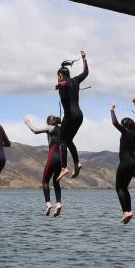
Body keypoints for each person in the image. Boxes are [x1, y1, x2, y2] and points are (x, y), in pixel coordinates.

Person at [55, 50, 88, 179]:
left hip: (69, 116)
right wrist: (84, 59)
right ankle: (77, 162)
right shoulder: (76, 80)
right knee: (69, 140)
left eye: (58, 76)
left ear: (60, 74)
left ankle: (63, 167)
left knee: (62, 140)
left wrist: (59, 85)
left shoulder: (63, 83)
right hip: (79, 115)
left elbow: (63, 84)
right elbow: (86, 73)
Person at [24, 115, 64, 216]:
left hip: (53, 157)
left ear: (49, 122)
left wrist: (28, 122)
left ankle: (48, 204)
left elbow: (35, 130)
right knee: (56, 182)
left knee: (45, 181)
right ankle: (58, 203)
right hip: (61, 159)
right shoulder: (62, 129)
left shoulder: (50, 127)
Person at [110, 95, 135, 224]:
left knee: (119, 188)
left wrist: (111, 110)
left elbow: (115, 123)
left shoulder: (125, 132)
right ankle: (129, 211)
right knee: (125, 188)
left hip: (125, 163)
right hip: (133, 163)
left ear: (125, 127)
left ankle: (126, 212)